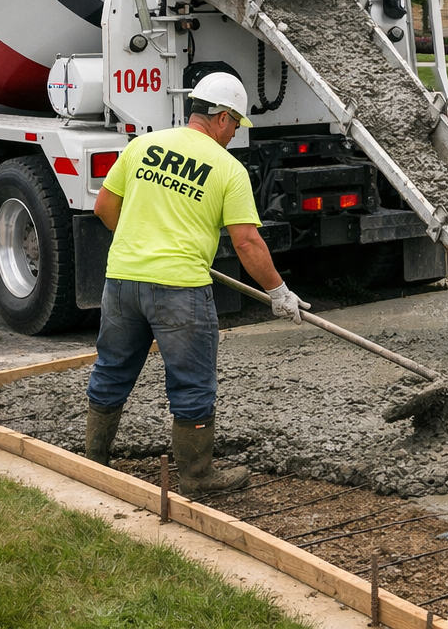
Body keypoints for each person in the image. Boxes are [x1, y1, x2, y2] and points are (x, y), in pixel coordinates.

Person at [83, 72, 304, 494]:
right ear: (220, 118)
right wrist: (279, 292)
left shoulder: (141, 146)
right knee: (191, 384)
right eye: (236, 123)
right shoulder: (227, 168)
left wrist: (139, 241)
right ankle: (198, 477)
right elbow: (247, 241)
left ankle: (95, 459)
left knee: (112, 368)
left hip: (122, 281)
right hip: (180, 289)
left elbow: (104, 208)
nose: (236, 132)